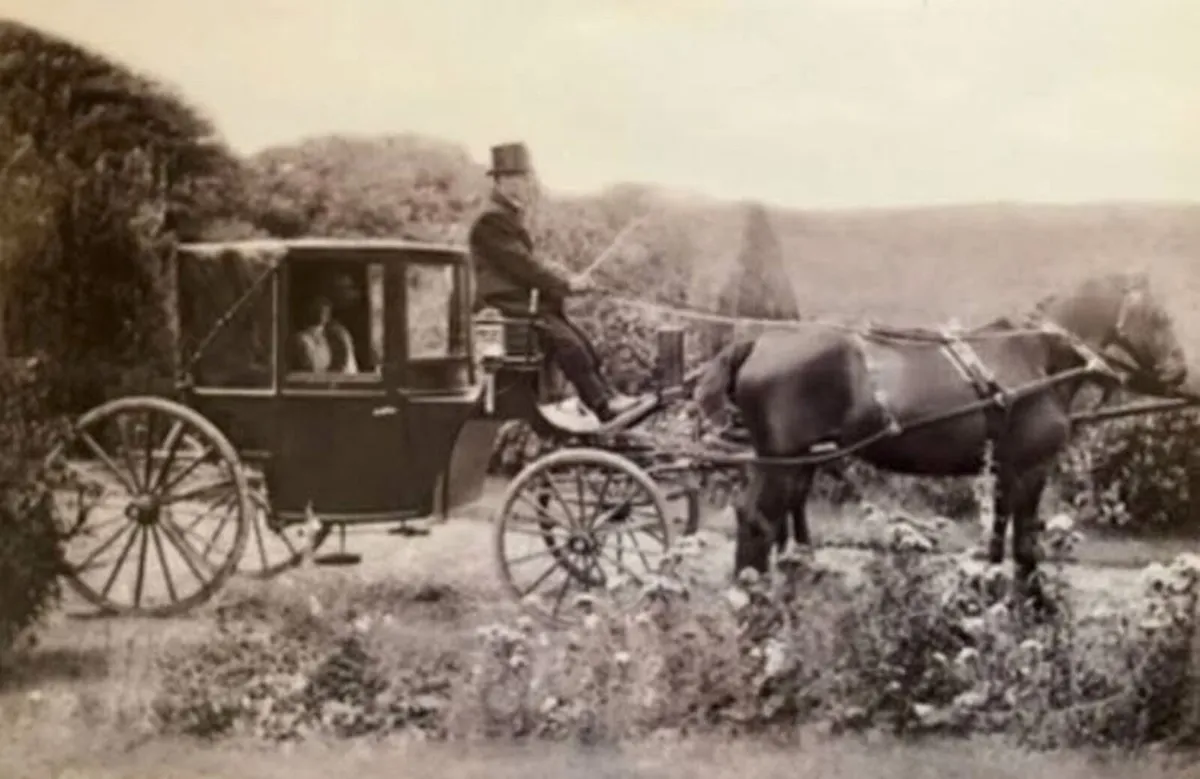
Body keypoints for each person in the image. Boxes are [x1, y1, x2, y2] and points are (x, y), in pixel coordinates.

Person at [468, 141, 645, 422]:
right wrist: (567, 285)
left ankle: (608, 397)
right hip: (504, 305)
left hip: (520, 301)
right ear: (502, 180)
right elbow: (523, 266)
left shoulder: (506, 215)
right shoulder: (491, 220)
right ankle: (602, 405)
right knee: (568, 343)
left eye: (526, 177)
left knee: (578, 340)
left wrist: (566, 277)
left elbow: (531, 260)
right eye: (520, 178)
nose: (527, 184)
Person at [291, 293, 359, 374]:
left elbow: (348, 367)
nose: (324, 315)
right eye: (321, 311)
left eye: (326, 312)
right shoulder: (301, 340)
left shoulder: (338, 333)